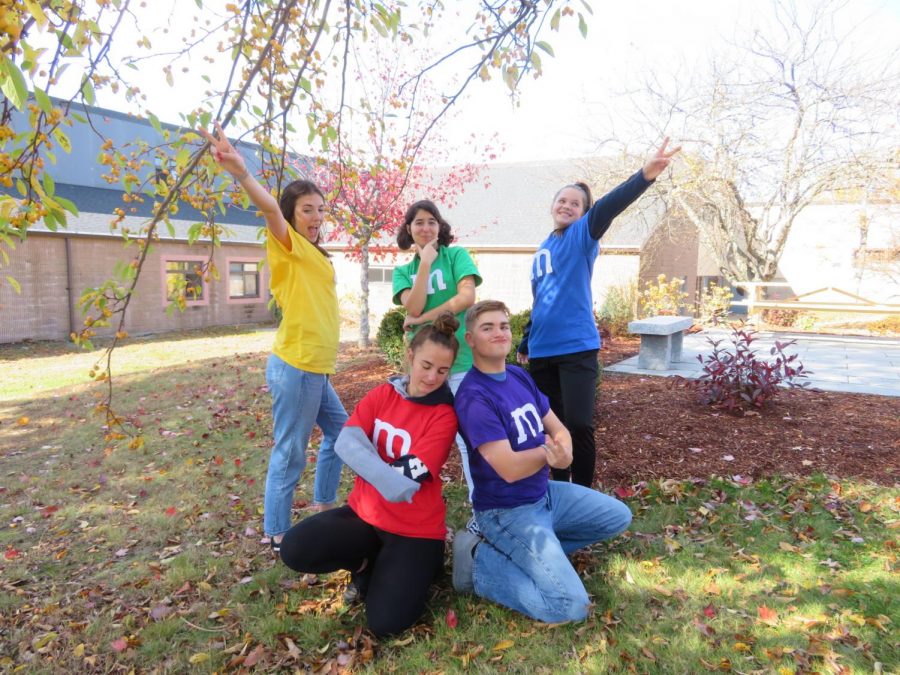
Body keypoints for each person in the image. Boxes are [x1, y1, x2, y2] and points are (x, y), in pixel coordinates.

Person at [201, 122, 347, 552]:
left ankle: (325, 506)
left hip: (315, 368)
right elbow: (268, 209)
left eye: (321, 209)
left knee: (345, 434)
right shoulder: (287, 243)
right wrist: (242, 174)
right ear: (291, 213)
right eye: (307, 209)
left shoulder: (314, 253)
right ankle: (277, 531)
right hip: (297, 364)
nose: (317, 218)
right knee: (290, 451)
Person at [279, 313, 460, 638]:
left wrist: (365, 456)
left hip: (414, 531)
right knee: (294, 548)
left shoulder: (444, 417)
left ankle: (424, 564)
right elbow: (345, 444)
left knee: (385, 623)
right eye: (426, 365)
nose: (433, 377)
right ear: (410, 356)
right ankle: (364, 563)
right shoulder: (382, 394)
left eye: (442, 370)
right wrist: (374, 462)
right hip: (365, 516)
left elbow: (401, 486)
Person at [452, 300, 632, 623]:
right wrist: (552, 453)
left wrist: (565, 450)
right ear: (470, 340)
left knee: (618, 516)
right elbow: (508, 468)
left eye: (504, 326)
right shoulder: (472, 396)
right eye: (487, 327)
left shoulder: (519, 377)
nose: (499, 333)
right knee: (570, 606)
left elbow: (558, 427)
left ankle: (535, 556)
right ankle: (476, 561)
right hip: (507, 511)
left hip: (544, 495)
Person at [517, 138, 681, 487]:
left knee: (578, 424)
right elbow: (541, 300)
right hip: (542, 353)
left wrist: (645, 175)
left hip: (576, 348)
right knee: (554, 428)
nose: (567, 206)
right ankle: (560, 492)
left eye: (576, 203)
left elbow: (608, 206)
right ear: (552, 206)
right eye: (562, 200)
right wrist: (526, 340)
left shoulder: (581, 235)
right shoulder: (544, 247)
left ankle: (583, 496)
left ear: (582, 212)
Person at [392, 199, 481, 497]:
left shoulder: (456, 256)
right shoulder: (403, 272)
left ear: (440, 226)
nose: (426, 227)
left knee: (468, 438)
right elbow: (413, 304)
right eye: (419, 222)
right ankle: (406, 496)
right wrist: (425, 263)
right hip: (422, 366)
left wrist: (422, 319)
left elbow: (466, 298)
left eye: (432, 221)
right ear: (409, 229)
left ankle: (480, 505)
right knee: (419, 437)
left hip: (459, 363)